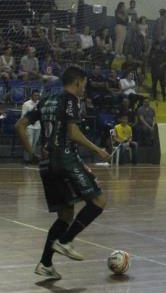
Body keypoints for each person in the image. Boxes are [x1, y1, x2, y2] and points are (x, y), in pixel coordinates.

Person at [14, 66, 111, 280]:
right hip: (65, 159)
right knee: (98, 201)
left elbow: (20, 125)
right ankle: (66, 241)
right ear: (77, 82)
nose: (85, 88)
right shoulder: (71, 100)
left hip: (47, 165)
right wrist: (97, 150)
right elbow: (73, 133)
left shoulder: (46, 99)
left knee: (65, 215)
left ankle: (46, 264)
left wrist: (31, 153)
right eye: (84, 83)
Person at [21, 91, 40, 163]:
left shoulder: (40, 103)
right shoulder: (26, 104)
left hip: (38, 126)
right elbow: (23, 115)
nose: (36, 97)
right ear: (31, 96)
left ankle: (32, 159)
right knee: (29, 142)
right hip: (29, 126)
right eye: (35, 95)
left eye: (38, 95)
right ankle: (26, 159)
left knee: (35, 144)